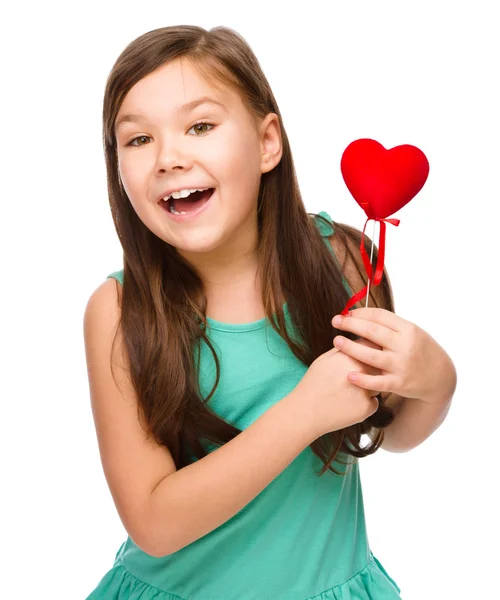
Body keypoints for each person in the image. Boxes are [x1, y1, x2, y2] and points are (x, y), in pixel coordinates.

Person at [83, 25, 457, 600]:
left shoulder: (345, 264)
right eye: (137, 140)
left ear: (267, 143)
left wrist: (435, 379)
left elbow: (391, 430)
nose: (169, 158)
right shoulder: (118, 309)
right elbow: (154, 524)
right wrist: (302, 413)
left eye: (200, 126)